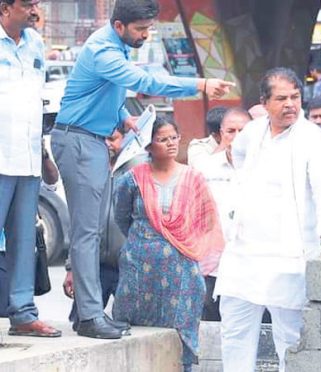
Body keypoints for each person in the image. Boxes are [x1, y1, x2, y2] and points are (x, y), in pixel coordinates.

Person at [51, 0, 233, 339]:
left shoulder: (116, 47)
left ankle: (89, 315)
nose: (146, 35)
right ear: (119, 26)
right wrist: (200, 85)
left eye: (149, 28)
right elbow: (145, 81)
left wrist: (124, 118)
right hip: (79, 141)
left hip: (91, 139)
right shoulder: (104, 50)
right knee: (88, 233)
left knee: (92, 232)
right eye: (141, 29)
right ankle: (90, 315)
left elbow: (100, 94)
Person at [214, 67, 321, 372]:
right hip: (244, 253)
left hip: (288, 255)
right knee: (235, 330)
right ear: (265, 102)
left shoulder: (313, 140)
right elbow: (236, 158)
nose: (290, 104)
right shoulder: (252, 132)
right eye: (281, 98)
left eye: (295, 96)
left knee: (289, 337)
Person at [113, 118, 224, 372]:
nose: (171, 144)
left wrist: (185, 244)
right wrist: (146, 242)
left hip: (180, 266)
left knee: (180, 328)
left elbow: (207, 221)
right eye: (163, 139)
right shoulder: (133, 179)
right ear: (149, 146)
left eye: (174, 137)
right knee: (136, 329)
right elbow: (121, 218)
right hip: (139, 269)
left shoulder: (193, 178)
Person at [0, 0, 61, 337]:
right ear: (5, 8)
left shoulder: (35, 43)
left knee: (24, 240)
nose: (34, 9)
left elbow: (37, 100)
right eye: (27, 4)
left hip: (27, 157)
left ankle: (23, 313)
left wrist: (41, 152)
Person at [62, 129, 148, 331]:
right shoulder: (89, 171)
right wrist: (71, 267)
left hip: (127, 266)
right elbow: (78, 224)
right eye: (102, 139)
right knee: (83, 325)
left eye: (112, 139)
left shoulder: (138, 172)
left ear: (125, 140)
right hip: (94, 266)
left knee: (133, 328)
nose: (107, 144)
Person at [192, 108, 251, 321]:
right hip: (212, 261)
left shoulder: (266, 168)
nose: (236, 137)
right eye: (230, 131)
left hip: (252, 260)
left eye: (242, 131)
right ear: (221, 134)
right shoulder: (204, 168)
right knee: (210, 317)